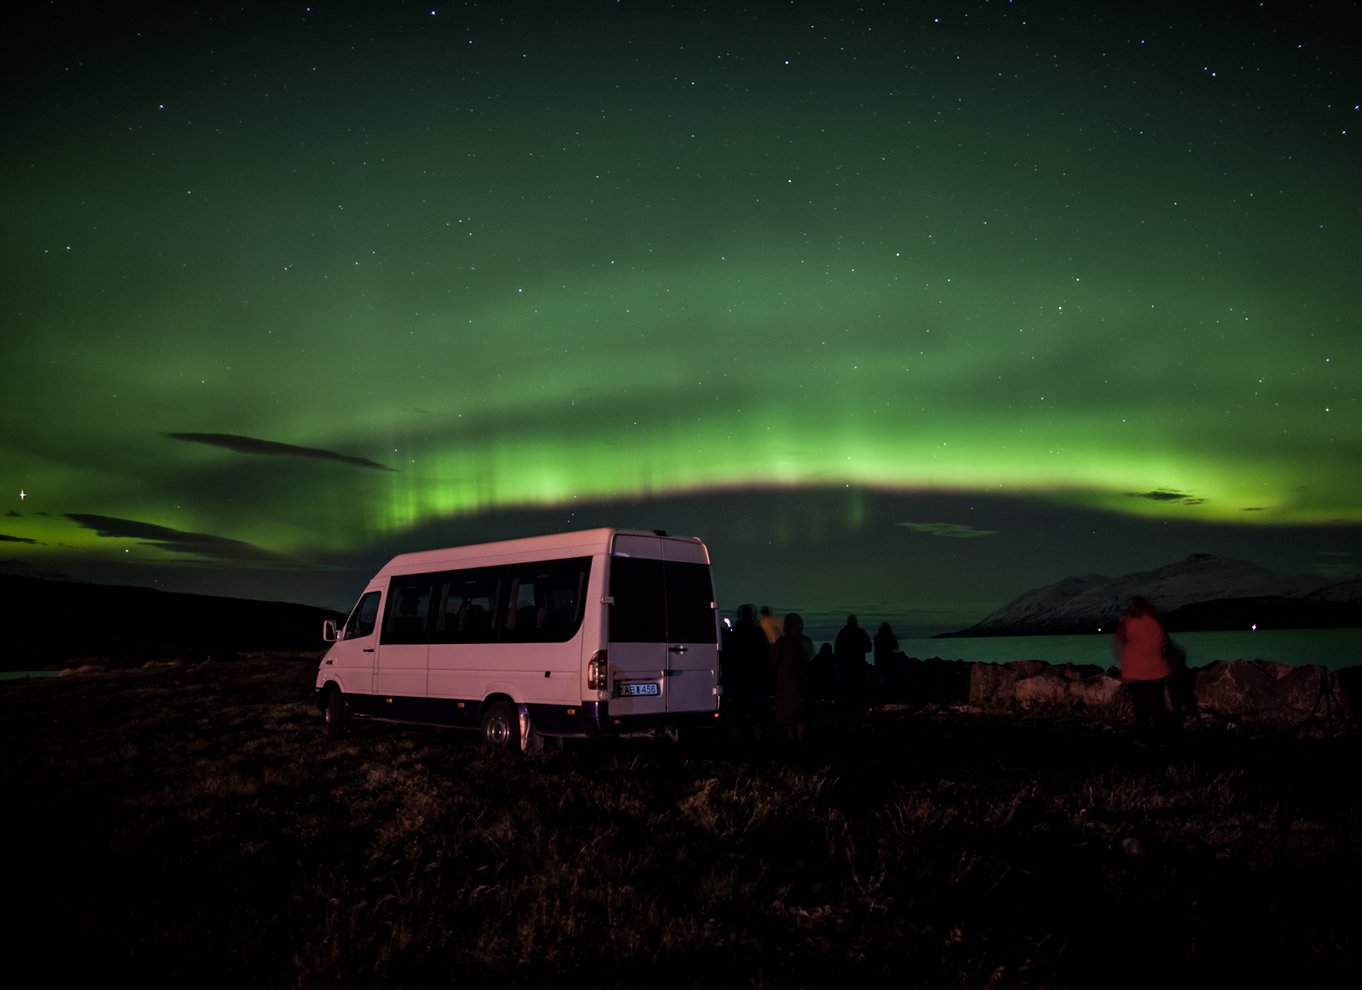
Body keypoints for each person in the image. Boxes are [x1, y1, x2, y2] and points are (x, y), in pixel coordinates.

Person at [1113, 596, 1172, 746]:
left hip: (1136, 670)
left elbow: (1119, 643)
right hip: (1157, 668)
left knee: (1141, 706)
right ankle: (1162, 738)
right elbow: (1165, 642)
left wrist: (1123, 662)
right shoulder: (1156, 621)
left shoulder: (1128, 621)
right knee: (1158, 704)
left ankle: (1143, 738)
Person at [722, 604, 770, 738]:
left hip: (737, 676)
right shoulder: (757, 631)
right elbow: (764, 652)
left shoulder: (735, 632)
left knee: (736, 712)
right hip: (754, 675)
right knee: (756, 713)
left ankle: (736, 746)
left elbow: (728, 653)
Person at [771, 612, 814, 741]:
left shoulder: (781, 643)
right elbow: (809, 661)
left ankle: (791, 748)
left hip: (785, 685)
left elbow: (772, 662)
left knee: (789, 721)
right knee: (799, 719)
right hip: (800, 685)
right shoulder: (804, 642)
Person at [833, 614, 872, 709]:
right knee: (858, 686)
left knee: (847, 687)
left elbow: (837, 648)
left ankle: (847, 708)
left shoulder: (843, 633)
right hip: (858, 664)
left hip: (846, 665)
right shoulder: (861, 632)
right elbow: (869, 647)